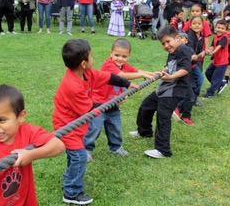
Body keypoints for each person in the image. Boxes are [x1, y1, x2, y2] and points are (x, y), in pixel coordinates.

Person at [53, 39, 134, 205]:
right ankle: (71, 192)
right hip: (67, 126)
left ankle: (70, 178)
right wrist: (114, 102)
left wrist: (128, 84)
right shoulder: (73, 85)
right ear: (84, 63)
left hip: (77, 123)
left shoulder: (86, 73)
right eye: (91, 55)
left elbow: (108, 77)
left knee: (75, 156)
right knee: (79, 156)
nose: (93, 58)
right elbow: (90, 108)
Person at [0, 84, 65, 205]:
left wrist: (31, 155)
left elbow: (58, 146)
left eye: (1, 120)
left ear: (21, 117)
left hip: (24, 201)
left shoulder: (27, 131)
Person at [84, 38, 155, 161]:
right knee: (94, 128)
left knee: (115, 127)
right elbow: (121, 76)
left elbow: (137, 71)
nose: (120, 59)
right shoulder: (108, 65)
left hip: (114, 104)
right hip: (99, 104)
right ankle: (86, 149)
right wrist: (142, 75)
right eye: (116, 55)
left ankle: (115, 147)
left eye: (124, 56)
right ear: (111, 53)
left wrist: (152, 73)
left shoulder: (124, 65)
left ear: (128, 56)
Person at [129, 26, 191, 158]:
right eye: (163, 43)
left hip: (175, 90)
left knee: (163, 116)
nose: (166, 45)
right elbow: (171, 66)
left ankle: (163, 150)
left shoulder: (183, 50)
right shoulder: (173, 51)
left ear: (178, 38)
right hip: (165, 87)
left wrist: (171, 77)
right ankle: (144, 131)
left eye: (168, 41)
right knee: (146, 106)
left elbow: (185, 69)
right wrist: (164, 71)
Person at [173, 16, 205, 126]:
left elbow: (193, 57)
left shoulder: (188, 47)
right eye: (177, 38)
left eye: (182, 38)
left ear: (186, 40)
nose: (179, 40)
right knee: (189, 96)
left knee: (191, 93)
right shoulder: (176, 50)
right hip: (182, 75)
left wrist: (199, 55)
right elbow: (191, 58)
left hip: (189, 73)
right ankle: (184, 114)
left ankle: (180, 110)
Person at [204, 20, 229, 98]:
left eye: (222, 28)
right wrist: (209, 49)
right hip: (215, 61)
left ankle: (210, 93)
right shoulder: (215, 37)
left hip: (222, 62)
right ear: (215, 27)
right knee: (208, 73)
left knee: (216, 78)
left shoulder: (224, 37)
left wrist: (213, 52)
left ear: (225, 30)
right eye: (218, 27)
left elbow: (219, 46)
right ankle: (221, 84)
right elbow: (213, 46)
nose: (220, 29)